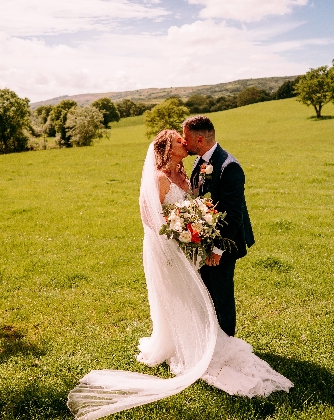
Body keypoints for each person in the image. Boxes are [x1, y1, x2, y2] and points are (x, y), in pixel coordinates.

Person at [67, 129, 292, 420]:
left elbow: (197, 205)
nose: (183, 143)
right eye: (177, 141)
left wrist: (192, 229)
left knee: (194, 295)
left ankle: (205, 336)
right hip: (167, 248)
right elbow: (149, 218)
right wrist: (178, 234)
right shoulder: (159, 178)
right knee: (178, 294)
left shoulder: (186, 175)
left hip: (189, 246)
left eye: (184, 139)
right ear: (167, 148)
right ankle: (182, 343)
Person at [183, 115, 254, 337]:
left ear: (200, 139)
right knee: (208, 293)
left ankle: (229, 344)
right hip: (203, 241)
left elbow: (234, 215)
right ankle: (213, 341)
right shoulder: (198, 162)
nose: (184, 143)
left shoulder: (229, 166)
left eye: (186, 138)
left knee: (222, 296)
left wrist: (217, 249)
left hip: (224, 245)